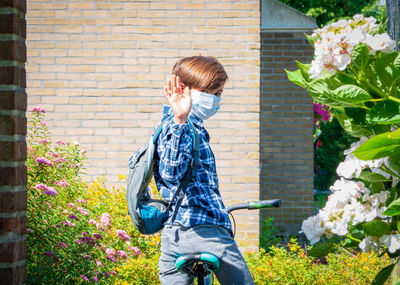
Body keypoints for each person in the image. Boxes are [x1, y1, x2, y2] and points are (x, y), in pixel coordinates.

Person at [154, 56, 255, 285]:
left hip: (174, 236)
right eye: (207, 91)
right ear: (184, 90)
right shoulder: (179, 125)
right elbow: (171, 172)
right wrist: (180, 117)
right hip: (208, 233)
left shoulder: (176, 126)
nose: (213, 99)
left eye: (218, 94)